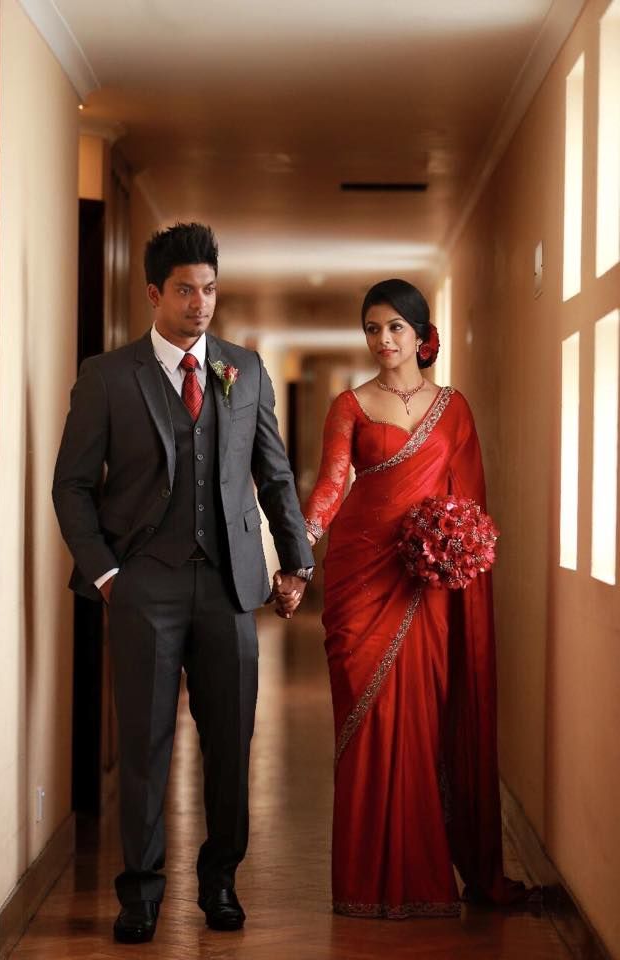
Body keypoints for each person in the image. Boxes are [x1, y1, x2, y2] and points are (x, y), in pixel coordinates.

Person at [53, 222, 314, 942]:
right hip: (143, 587)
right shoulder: (108, 376)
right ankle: (139, 893)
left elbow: (274, 473)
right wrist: (107, 573)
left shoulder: (245, 369)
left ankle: (221, 882)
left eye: (209, 289)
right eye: (185, 291)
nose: (200, 304)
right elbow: (71, 486)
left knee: (230, 745)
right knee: (144, 745)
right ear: (154, 294)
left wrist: (295, 562)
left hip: (230, 589)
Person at [303, 278, 528, 918]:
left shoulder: (453, 409)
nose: (383, 340)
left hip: (424, 587)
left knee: (421, 725)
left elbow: (468, 501)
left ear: (421, 334)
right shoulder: (348, 405)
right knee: (364, 723)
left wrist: (455, 549)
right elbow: (329, 488)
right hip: (357, 579)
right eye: (372, 328)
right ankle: (362, 883)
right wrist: (300, 551)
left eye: (395, 327)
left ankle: (424, 880)